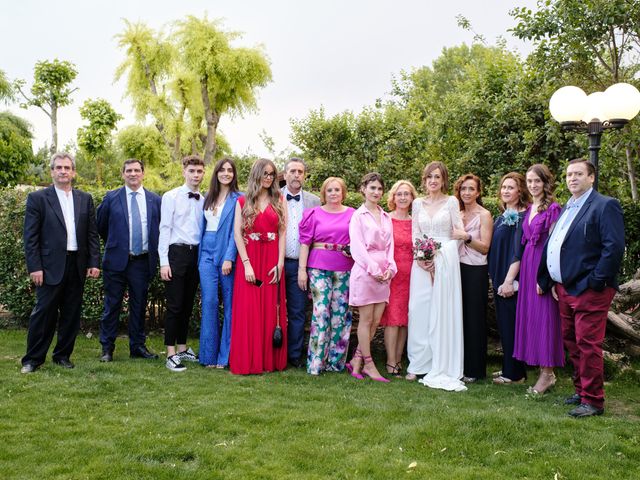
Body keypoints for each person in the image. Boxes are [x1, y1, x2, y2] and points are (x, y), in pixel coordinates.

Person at [538, 158, 625, 417]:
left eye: (578, 174)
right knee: (572, 341)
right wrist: (554, 279)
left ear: (591, 178)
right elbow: (560, 244)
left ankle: (594, 401)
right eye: (568, 175)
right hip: (565, 288)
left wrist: (596, 282)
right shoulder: (568, 206)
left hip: (589, 289)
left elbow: (614, 248)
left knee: (588, 344)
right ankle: (581, 391)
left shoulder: (605, 205)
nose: (572, 178)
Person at [21, 152, 100, 373]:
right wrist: (35, 267)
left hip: (77, 265)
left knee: (71, 315)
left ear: (73, 172)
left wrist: (94, 261)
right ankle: (32, 360)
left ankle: (62, 356)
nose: (63, 171)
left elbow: (92, 234)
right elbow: (31, 237)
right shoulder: (38, 199)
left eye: (67, 167)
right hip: (48, 267)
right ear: (52, 171)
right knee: (43, 314)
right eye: (58, 167)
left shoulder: (85, 199)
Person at [406, 161, 466, 392]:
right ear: (424, 179)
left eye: (438, 177)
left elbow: (458, 234)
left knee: (442, 311)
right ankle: (418, 363)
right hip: (420, 263)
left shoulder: (451, 202)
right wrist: (422, 257)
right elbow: (415, 234)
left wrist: (441, 257)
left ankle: (442, 362)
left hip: (445, 263)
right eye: (430, 176)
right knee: (419, 310)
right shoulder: (418, 203)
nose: (433, 181)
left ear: (443, 181)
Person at [96, 158, 161, 362]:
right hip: (116, 260)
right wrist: (118, 244)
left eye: (136, 170)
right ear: (123, 174)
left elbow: (158, 229)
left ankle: (137, 347)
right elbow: (101, 226)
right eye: (128, 171)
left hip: (141, 262)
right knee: (112, 305)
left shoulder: (155, 200)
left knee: (139, 306)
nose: (133, 174)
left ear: (143, 173)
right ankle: (107, 348)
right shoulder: (111, 198)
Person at [229, 158, 288, 375]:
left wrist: (280, 263)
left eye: (272, 174)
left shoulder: (279, 199)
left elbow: (283, 232)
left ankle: (268, 361)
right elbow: (237, 234)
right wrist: (246, 265)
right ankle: (249, 360)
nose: (269, 177)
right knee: (249, 309)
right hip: (251, 258)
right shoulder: (243, 201)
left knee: (270, 310)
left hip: (271, 259)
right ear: (256, 174)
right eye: (265, 173)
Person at [514, 164, 563, 395]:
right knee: (532, 317)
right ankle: (542, 370)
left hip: (541, 267)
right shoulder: (529, 207)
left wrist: (548, 279)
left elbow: (555, 244)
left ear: (545, 183)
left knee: (545, 318)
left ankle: (548, 373)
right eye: (530, 181)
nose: (533, 185)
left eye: (537, 181)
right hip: (527, 266)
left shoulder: (553, 209)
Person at [297, 177, 355, 375]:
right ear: (324, 193)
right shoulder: (313, 214)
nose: (333, 193)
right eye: (329, 190)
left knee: (340, 314)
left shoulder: (353, 215)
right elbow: (305, 243)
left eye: (337, 190)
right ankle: (316, 363)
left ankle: (335, 362)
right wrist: (301, 269)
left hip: (345, 267)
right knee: (321, 312)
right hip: (318, 266)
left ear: (343, 192)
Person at [346, 172, 396, 383]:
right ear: (363, 189)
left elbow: (390, 246)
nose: (376, 192)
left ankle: (356, 361)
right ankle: (368, 364)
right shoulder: (358, 216)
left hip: (384, 274)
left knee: (376, 321)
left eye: (379, 189)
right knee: (366, 321)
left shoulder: (386, 216)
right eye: (372, 188)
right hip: (366, 272)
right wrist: (375, 270)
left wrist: (390, 268)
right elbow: (357, 249)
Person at [159, 155, 205, 372]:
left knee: (187, 305)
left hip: (195, 254)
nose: (196, 175)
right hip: (176, 253)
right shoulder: (171, 196)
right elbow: (164, 229)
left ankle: (183, 347)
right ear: (184, 172)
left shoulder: (204, 200)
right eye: (192, 171)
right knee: (175, 305)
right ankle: (170, 353)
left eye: (199, 171)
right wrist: (163, 262)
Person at [198, 158, 242, 368]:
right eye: (222, 170)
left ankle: (225, 357)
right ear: (216, 173)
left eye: (230, 170)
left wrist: (229, 257)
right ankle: (208, 356)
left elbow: (238, 231)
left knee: (230, 304)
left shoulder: (239, 198)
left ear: (234, 174)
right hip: (206, 251)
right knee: (209, 302)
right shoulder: (208, 197)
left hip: (226, 250)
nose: (226, 173)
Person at [488, 172, 530, 385]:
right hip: (498, 277)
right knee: (505, 325)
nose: (506, 191)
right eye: (504, 187)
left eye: (511, 187)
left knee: (511, 326)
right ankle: (510, 367)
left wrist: (509, 280)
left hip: (510, 281)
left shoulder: (522, 217)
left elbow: (518, 252)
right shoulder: (504, 215)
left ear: (520, 190)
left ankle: (514, 374)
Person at [280, 158, 320, 368]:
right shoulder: (273, 197)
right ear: (285, 174)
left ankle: (294, 356)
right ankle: (272, 353)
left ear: (304, 175)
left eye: (300, 172)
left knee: (297, 312)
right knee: (272, 310)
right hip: (275, 263)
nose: (296, 175)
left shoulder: (314, 201)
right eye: (292, 171)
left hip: (300, 265)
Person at [454, 173, 493, 383]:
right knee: (457, 316)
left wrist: (467, 237)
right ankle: (458, 364)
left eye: (471, 189)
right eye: (463, 189)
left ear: (478, 192)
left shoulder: (484, 214)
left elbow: (485, 247)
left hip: (475, 269)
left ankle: (475, 368)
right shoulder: (457, 213)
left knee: (474, 318)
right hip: (455, 267)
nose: (467, 192)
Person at [380, 180, 419, 377]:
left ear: (412, 198)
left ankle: (398, 358)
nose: (403, 197)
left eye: (407, 194)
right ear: (393, 197)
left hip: (413, 274)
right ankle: (390, 361)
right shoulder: (386, 219)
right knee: (393, 318)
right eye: (399, 194)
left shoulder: (417, 221)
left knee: (405, 319)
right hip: (393, 274)